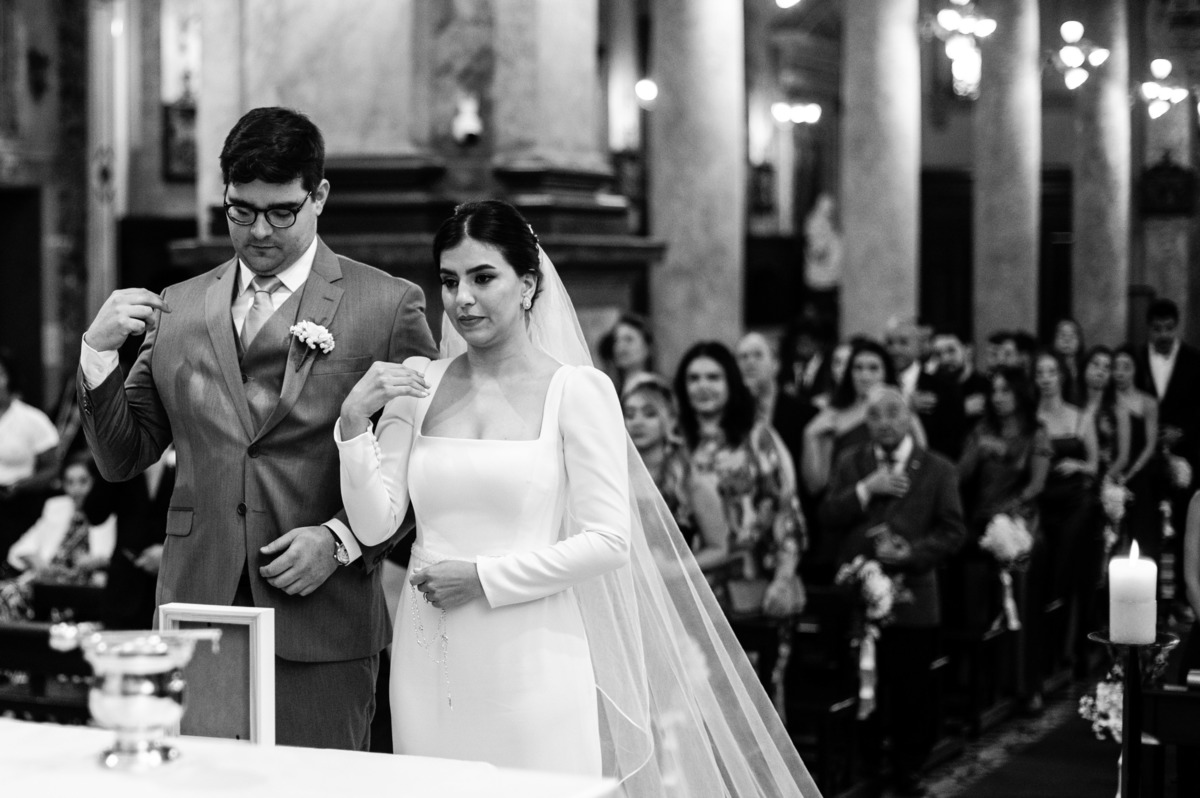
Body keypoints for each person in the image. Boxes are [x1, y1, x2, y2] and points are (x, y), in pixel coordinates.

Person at [336, 200, 819, 795]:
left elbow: (609, 541)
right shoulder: (417, 381)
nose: (462, 298)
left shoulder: (579, 391)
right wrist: (355, 422)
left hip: (533, 650)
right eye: (449, 280)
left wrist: (485, 577)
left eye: (483, 277)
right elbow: (373, 522)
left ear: (529, 284)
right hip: (426, 650)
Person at [77, 107, 437, 750]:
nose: (259, 231)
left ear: (319, 196)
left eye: (281, 212)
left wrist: (341, 541)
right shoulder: (179, 307)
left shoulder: (388, 305)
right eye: (240, 211)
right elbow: (123, 457)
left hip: (323, 614)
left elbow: (424, 469)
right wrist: (98, 356)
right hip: (200, 605)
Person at [820, 386, 965, 797]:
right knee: (866, 683)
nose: (883, 423)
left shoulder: (937, 468)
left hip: (914, 598)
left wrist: (912, 552)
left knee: (912, 690)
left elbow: (954, 531)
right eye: (874, 416)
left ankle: (909, 766)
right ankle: (869, 762)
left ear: (907, 419)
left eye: (892, 414)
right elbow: (828, 514)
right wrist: (867, 489)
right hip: (860, 597)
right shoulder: (853, 462)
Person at [674, 340, 807, 618]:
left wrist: (783, 579)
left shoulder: (756, 437)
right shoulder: (674, 442)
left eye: (713, 377)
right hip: (682, 585)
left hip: (749, 582)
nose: (703, 386)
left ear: (731, 383)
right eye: (693, 378)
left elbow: (785, 511)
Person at [956, 367, 1051, 705]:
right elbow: (958, 477)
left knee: (1022, 570)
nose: (997, 397)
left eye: (1005, 391)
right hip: (982, 520)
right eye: (993, 391)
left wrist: (1008, 510)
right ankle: (980, 683)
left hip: (1020, 519)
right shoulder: (981, 431)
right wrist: (977, 452)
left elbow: (1036, 485)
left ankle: (1026, 683)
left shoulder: (1036, 433)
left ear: (1020, 394)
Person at [1033, 350, 1099, 693]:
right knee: (1046, 576)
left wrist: (1077, 465)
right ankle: (1049, 656)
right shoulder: (1032, 417)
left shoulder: (1079, 416)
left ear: (1061, 376)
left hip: (1075, 502)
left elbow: (1094, 464)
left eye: (1051, 372)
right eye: (1039, 372)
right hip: (1044, 501)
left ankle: (1075, 653)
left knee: (1070, 572)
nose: (1045, 378)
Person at [622, 373, 729, 572]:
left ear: (670, 420)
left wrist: (673, 570)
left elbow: (720, 548)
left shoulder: (690, 482)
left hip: (675, 590)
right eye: (630, 414)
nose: (637, 422)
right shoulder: (613, 477)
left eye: (649, 413)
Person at [1, 454, 114, 622]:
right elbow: (21, 548)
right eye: (70, 482)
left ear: (95, 482)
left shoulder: (110, 512)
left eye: (83, 481)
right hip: (49, 581)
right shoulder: (56, 507)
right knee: (7, 593)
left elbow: (119, 557)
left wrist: (97, 561)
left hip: (85, 585)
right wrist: (37, 562)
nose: (76, 490)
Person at [83, 446, 176, 629]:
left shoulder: (188, 449)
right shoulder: (126, 454)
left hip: (172, 587)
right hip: (124, 583)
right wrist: (114, 455)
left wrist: (170, 552)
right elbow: (94, 513)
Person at [0, 351, 61, 556]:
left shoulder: (32, 419)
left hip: (17, 503)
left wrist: (21, 486)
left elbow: (52, 468)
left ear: (10, 379)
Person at [736, 331, 817, 478]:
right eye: (743, 357)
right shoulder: (731, 413)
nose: (749, 362)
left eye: (758, 355)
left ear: (776, 364)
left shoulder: (806, 414)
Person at [1113, 346, 1159, 547]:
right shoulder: (1107, 400)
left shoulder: (1147, 402)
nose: (1120, 373)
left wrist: (1129, 474)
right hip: (1112, 465)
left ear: (1136, 370)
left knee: (1143, 491)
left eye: (1126, 367)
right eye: (1116, 367)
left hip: (1139, 466)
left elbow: (1150, 445)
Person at [597, 313, 654, 395]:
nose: (620, 347)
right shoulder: (609, 389)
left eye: (628, 339)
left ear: (648, 347)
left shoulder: (657, 389)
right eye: (616, 340)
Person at [1051, 318, 1086, 405]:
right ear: (1054, 339)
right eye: (1062, 335)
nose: (1067, 340)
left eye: (1071, 336)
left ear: (1080, 340)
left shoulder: (1085, 366)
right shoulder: (1048, 364)